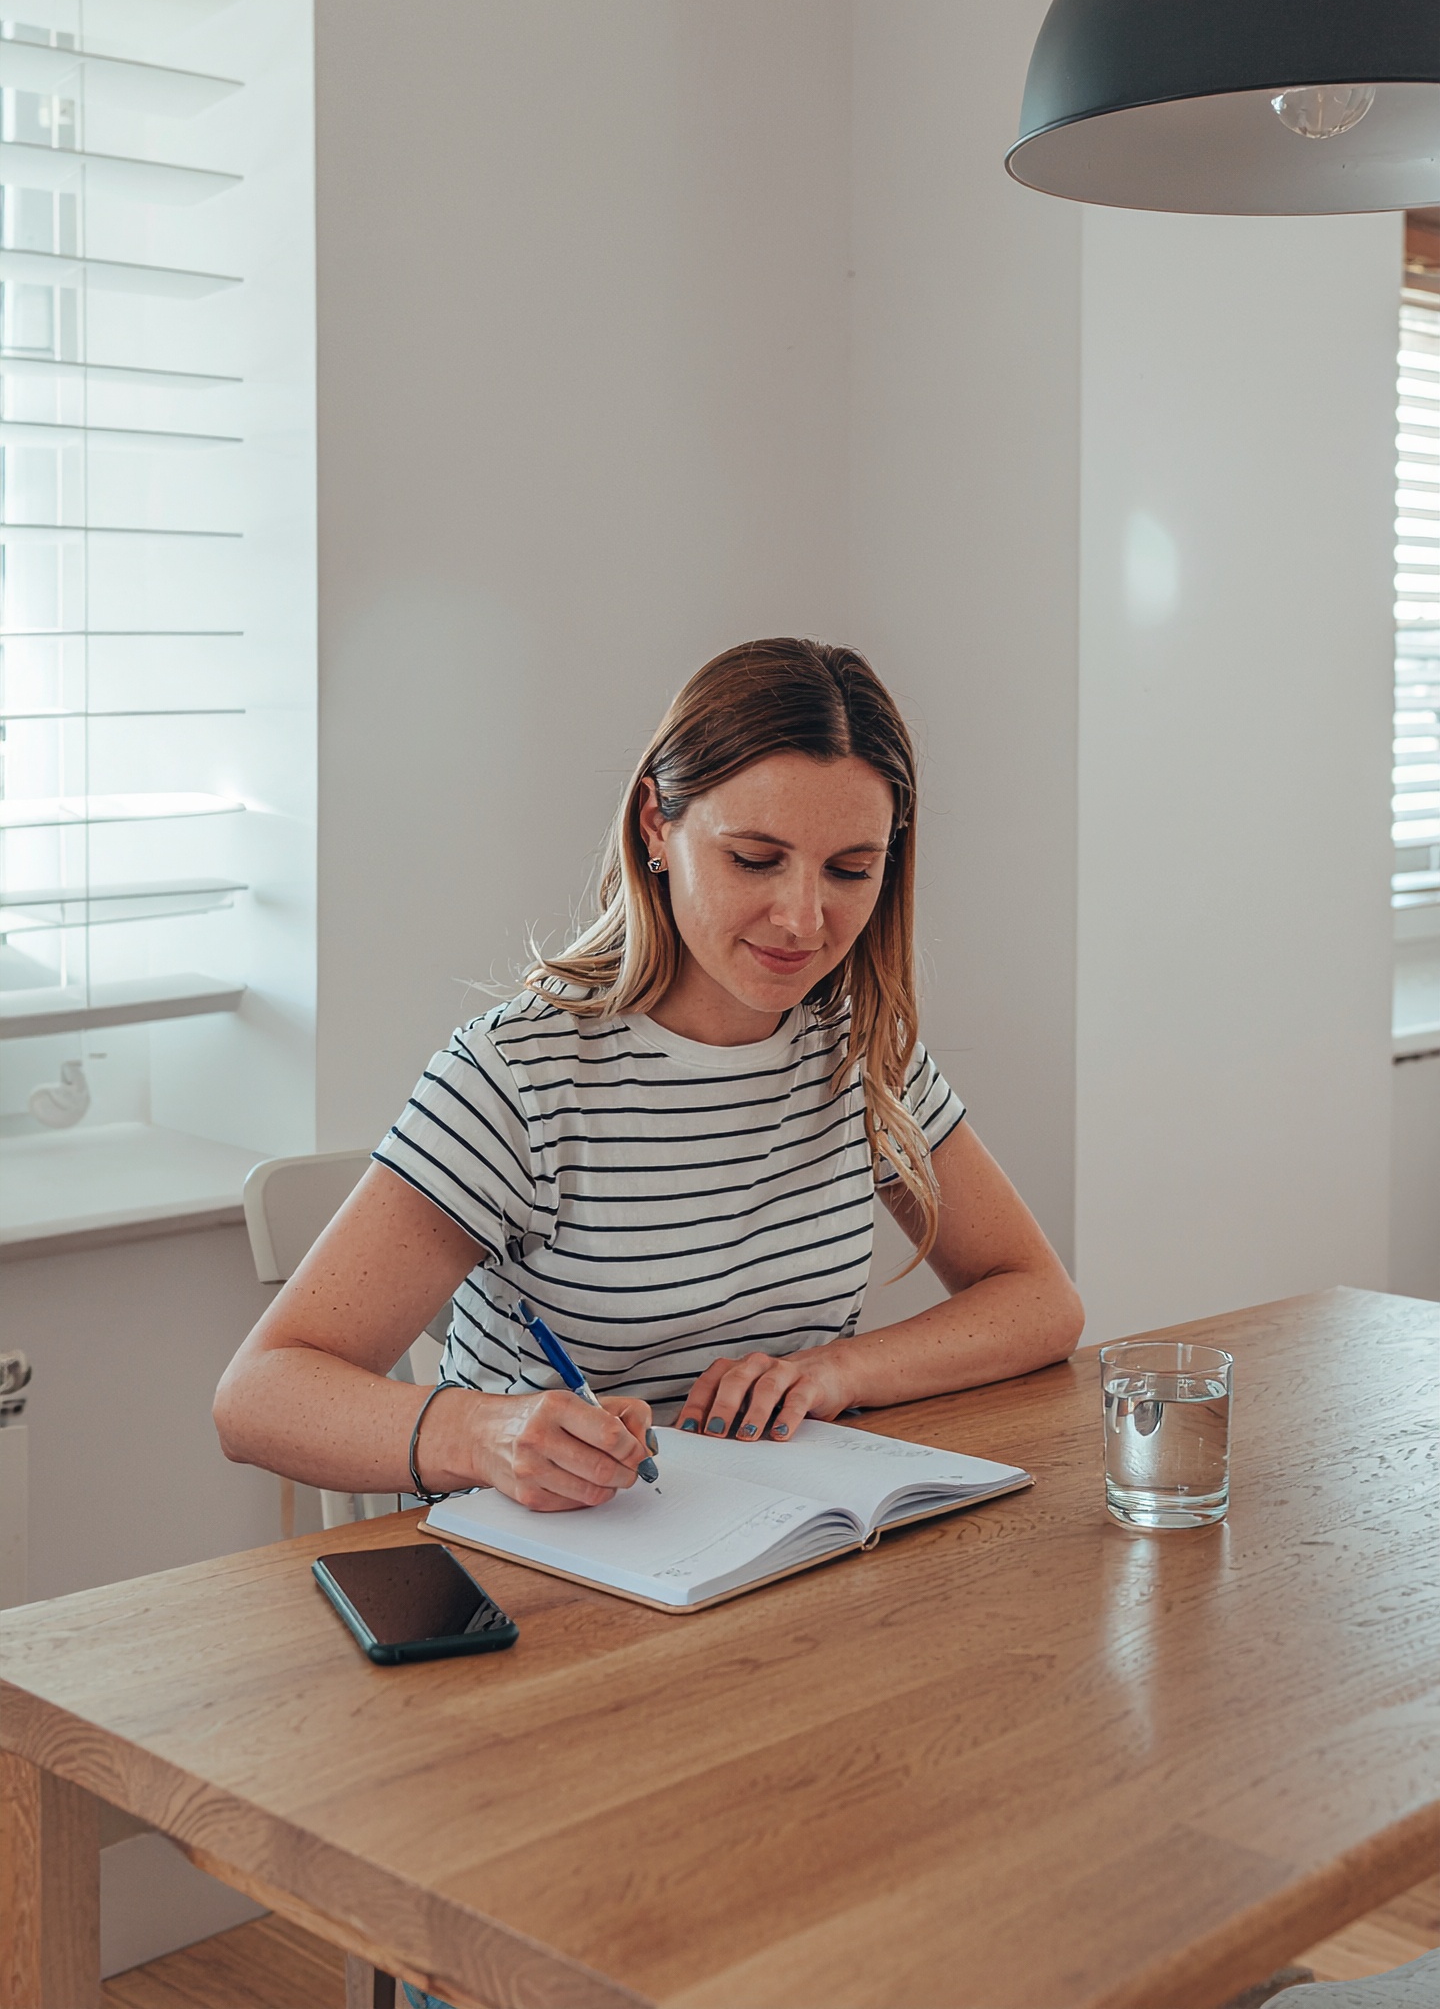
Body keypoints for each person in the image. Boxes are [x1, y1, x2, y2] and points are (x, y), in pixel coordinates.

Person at [216, 637, 1083, 1523]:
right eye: (754, 859)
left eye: (851, 870)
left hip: (777, 1548)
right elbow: (258, 1398)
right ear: (654, 825)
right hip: (548, 1576)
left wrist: (835, 1370)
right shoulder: (520, 1076)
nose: (803, 919)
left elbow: (1039, 1299)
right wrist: (489, 1435)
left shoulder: (858, 1050)